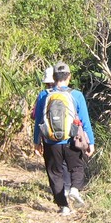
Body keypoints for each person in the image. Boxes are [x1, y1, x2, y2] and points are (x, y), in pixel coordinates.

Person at [33, 62, 96, 216]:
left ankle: (64, 207)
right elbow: (85, 121)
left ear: (53, 78)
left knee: (55, 173)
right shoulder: (76, 95)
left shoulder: (44, 95)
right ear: (69, 77)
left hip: (50, 142)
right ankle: (74, 189)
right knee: (77, 167)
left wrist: (36, 141)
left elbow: (39, 121)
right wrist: (91, 142)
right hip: (72, 140)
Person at [32, 66, 71, 195]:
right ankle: (67, 188)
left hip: (48, 137)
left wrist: (36, 141)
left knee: (53, 167)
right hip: (68, 136)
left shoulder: (43, 95)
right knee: (65, 164)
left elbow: (36, 118)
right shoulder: (71, 93)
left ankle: (59, 195)